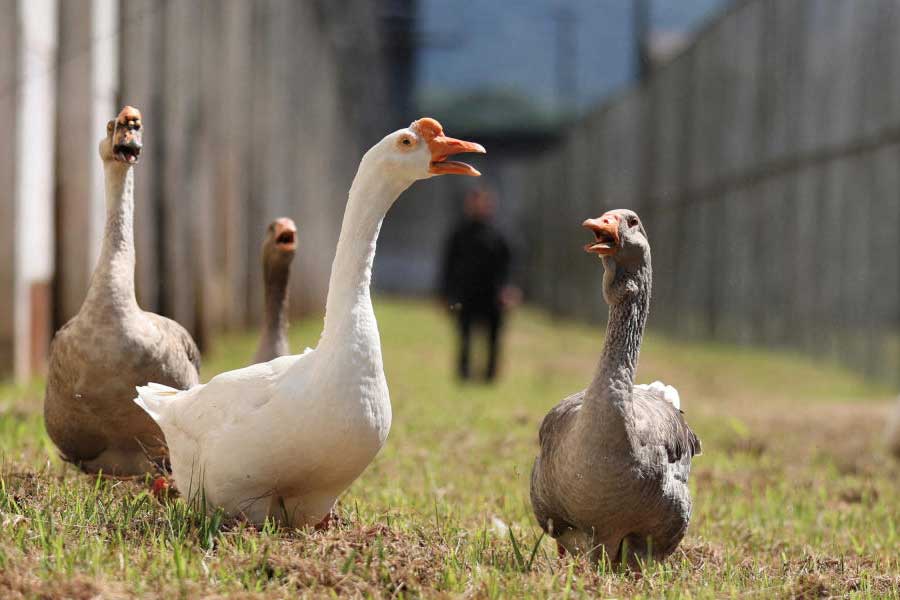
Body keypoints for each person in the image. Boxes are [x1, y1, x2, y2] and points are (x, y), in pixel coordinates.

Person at [439, 187, 515, 382]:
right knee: (464, 337)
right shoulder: (458, 234)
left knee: (493, 339)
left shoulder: (499, 235)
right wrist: (444, 292)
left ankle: (489, 377)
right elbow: (447, 265)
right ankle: (463, 375)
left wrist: (508, 289)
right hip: (466, 294)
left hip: (492, 295)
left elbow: (509, 266)